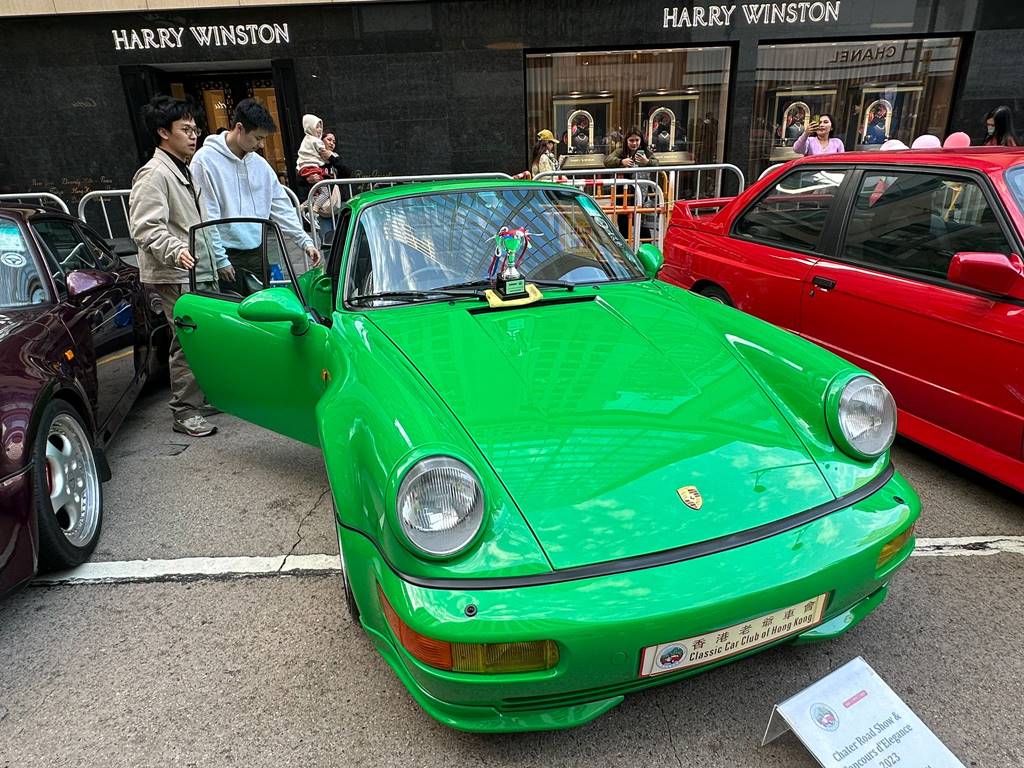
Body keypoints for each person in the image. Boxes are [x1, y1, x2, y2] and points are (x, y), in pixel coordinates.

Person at [128, 95, 219, 437]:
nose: (193, 135)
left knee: (199, 337)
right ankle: (184, 410)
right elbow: (146, 227)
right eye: (186, 129)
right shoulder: (153, 174)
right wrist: (176, 250)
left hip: (193, 269)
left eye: (196, 129)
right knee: (186, 339)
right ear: (163, 133)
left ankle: (201, 397)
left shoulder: (181, 167)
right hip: (175, 272)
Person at [190, 98, 320, 290]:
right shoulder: (205, 161)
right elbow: (207, 214)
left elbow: (281, 206)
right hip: (225, 251)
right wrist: (220, 259)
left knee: (263, 311)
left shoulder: (260, 166)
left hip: (256, 250)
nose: (261, 145)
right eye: (258, 138)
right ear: (240, 128)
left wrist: (304, 241)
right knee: (233, 313)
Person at [604, 127, 659, 240]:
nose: (634, 143)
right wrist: (621, 162)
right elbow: (607, 161)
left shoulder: (645, 151)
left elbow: (657, 163)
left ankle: (646, 250)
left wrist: (647, 162)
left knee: (643, 225)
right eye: (631, 140)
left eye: (637, 140)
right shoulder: (621, 151)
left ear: (641, 141)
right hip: (623, 193)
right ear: (626, 141)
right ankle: (626, 251)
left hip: (641, 194)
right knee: (623, 223)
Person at [295, 113, 328, 186]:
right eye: (317, 127)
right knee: (322, 193)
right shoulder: (315, 142)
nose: (319, 130)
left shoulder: (306, 141)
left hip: (306, 169)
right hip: (313, 169)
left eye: (320, 127)